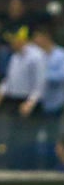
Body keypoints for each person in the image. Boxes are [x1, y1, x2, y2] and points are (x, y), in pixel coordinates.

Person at [0, 25, 46, 169]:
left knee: (28, 137)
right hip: (14, 100)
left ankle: (29, 168)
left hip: (29, 102)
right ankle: (14, 165)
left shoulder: (36, 56)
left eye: (14, 40)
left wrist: (30, 103)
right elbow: (8, 80)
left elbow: (40, 83)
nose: (11, 44)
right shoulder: (15, 57)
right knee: (13, 135)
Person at [31, 24, 64, 169]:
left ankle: (58, 168)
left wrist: (44, 75)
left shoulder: (60, 55)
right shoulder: (38, 56)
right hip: (40, 106)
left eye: (37, 37)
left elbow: (61, 75)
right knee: (40, 139)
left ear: (46, 37)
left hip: (57, 105)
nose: (35, 41)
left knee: (57, 138)